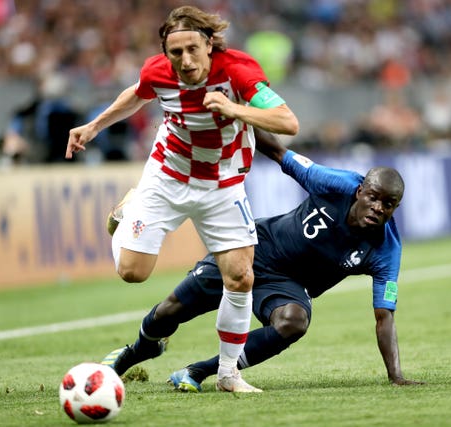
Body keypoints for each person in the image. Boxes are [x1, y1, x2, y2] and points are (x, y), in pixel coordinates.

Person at [66, 6, 299, 393]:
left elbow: (287, 121)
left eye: (193, 48)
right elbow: (137, 95)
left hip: (222, 183)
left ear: (209, 44)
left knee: (240, 277)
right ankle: (127, 214)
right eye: (176, 52)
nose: (185, 60)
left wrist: (233, 108)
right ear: (166, 52)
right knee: (132, 273)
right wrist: (93, 126)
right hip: (168, 178)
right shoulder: (157, 71)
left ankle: (228, 374)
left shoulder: (238, 70)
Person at [101, 129, 424, 391]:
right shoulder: (335, 183)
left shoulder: (386, 248)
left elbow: (384, 316)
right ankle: (135, 352)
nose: (379, 208)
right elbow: (278, 152)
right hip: (252, 247)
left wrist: (395, 374)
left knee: (293, 322)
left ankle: (197, 372)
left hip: (288, 284)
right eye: (374, 197)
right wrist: (239, 117)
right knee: (170, 312)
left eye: (389, 204)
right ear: (360, 192)